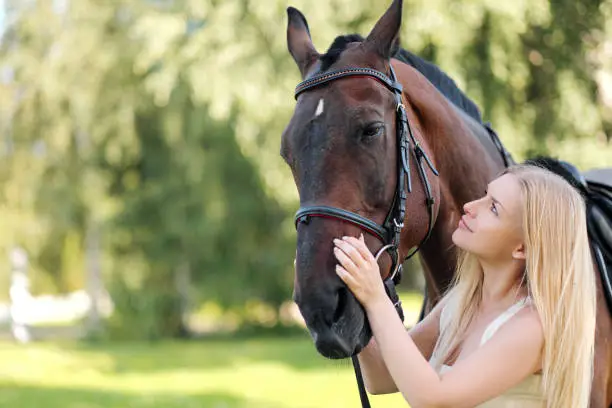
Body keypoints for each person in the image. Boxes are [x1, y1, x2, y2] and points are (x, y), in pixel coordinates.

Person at [332, 164, 596, 408]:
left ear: (522, 248)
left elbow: (433, 398)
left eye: (493, 208)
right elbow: (381, 377)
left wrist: (376, 298)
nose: (470, 206)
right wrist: (349, 296)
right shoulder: (463, 301)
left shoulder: (532, 326)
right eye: (484, 195)